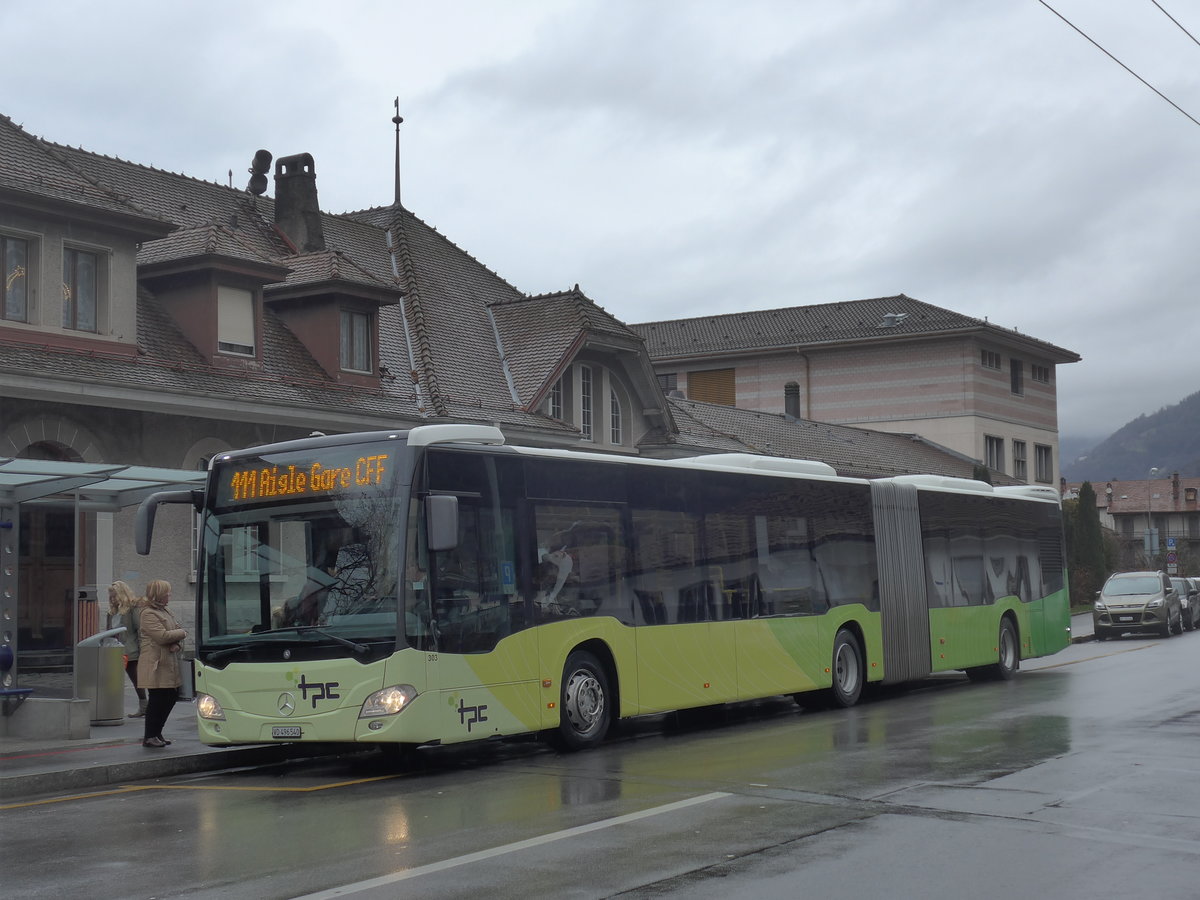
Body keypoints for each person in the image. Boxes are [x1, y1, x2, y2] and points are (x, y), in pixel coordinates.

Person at [136, 580, 187, 749]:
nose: (169, 596)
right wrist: (181, 634)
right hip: (155, 664)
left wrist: (177, 642)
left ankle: (157, 732)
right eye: (167, 593)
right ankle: (150, 736)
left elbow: (173, 633)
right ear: (159, 594)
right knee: (158, 699)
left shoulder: (165, 611)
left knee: (171, 696)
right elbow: (162, 636)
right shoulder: (148, 613)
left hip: (168, 661)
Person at [106, 581, 147, 718]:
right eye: (110, 596)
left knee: (135, 678)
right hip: (114, 649)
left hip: (130, 650)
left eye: (114, 596)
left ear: (121, 595)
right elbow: (108, 632)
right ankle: (110, 707)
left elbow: (139, 629)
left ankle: (144, 706)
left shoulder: (131, 610)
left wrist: (143, 649)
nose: (112, 599)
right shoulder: (111, 612)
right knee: (111, 680)